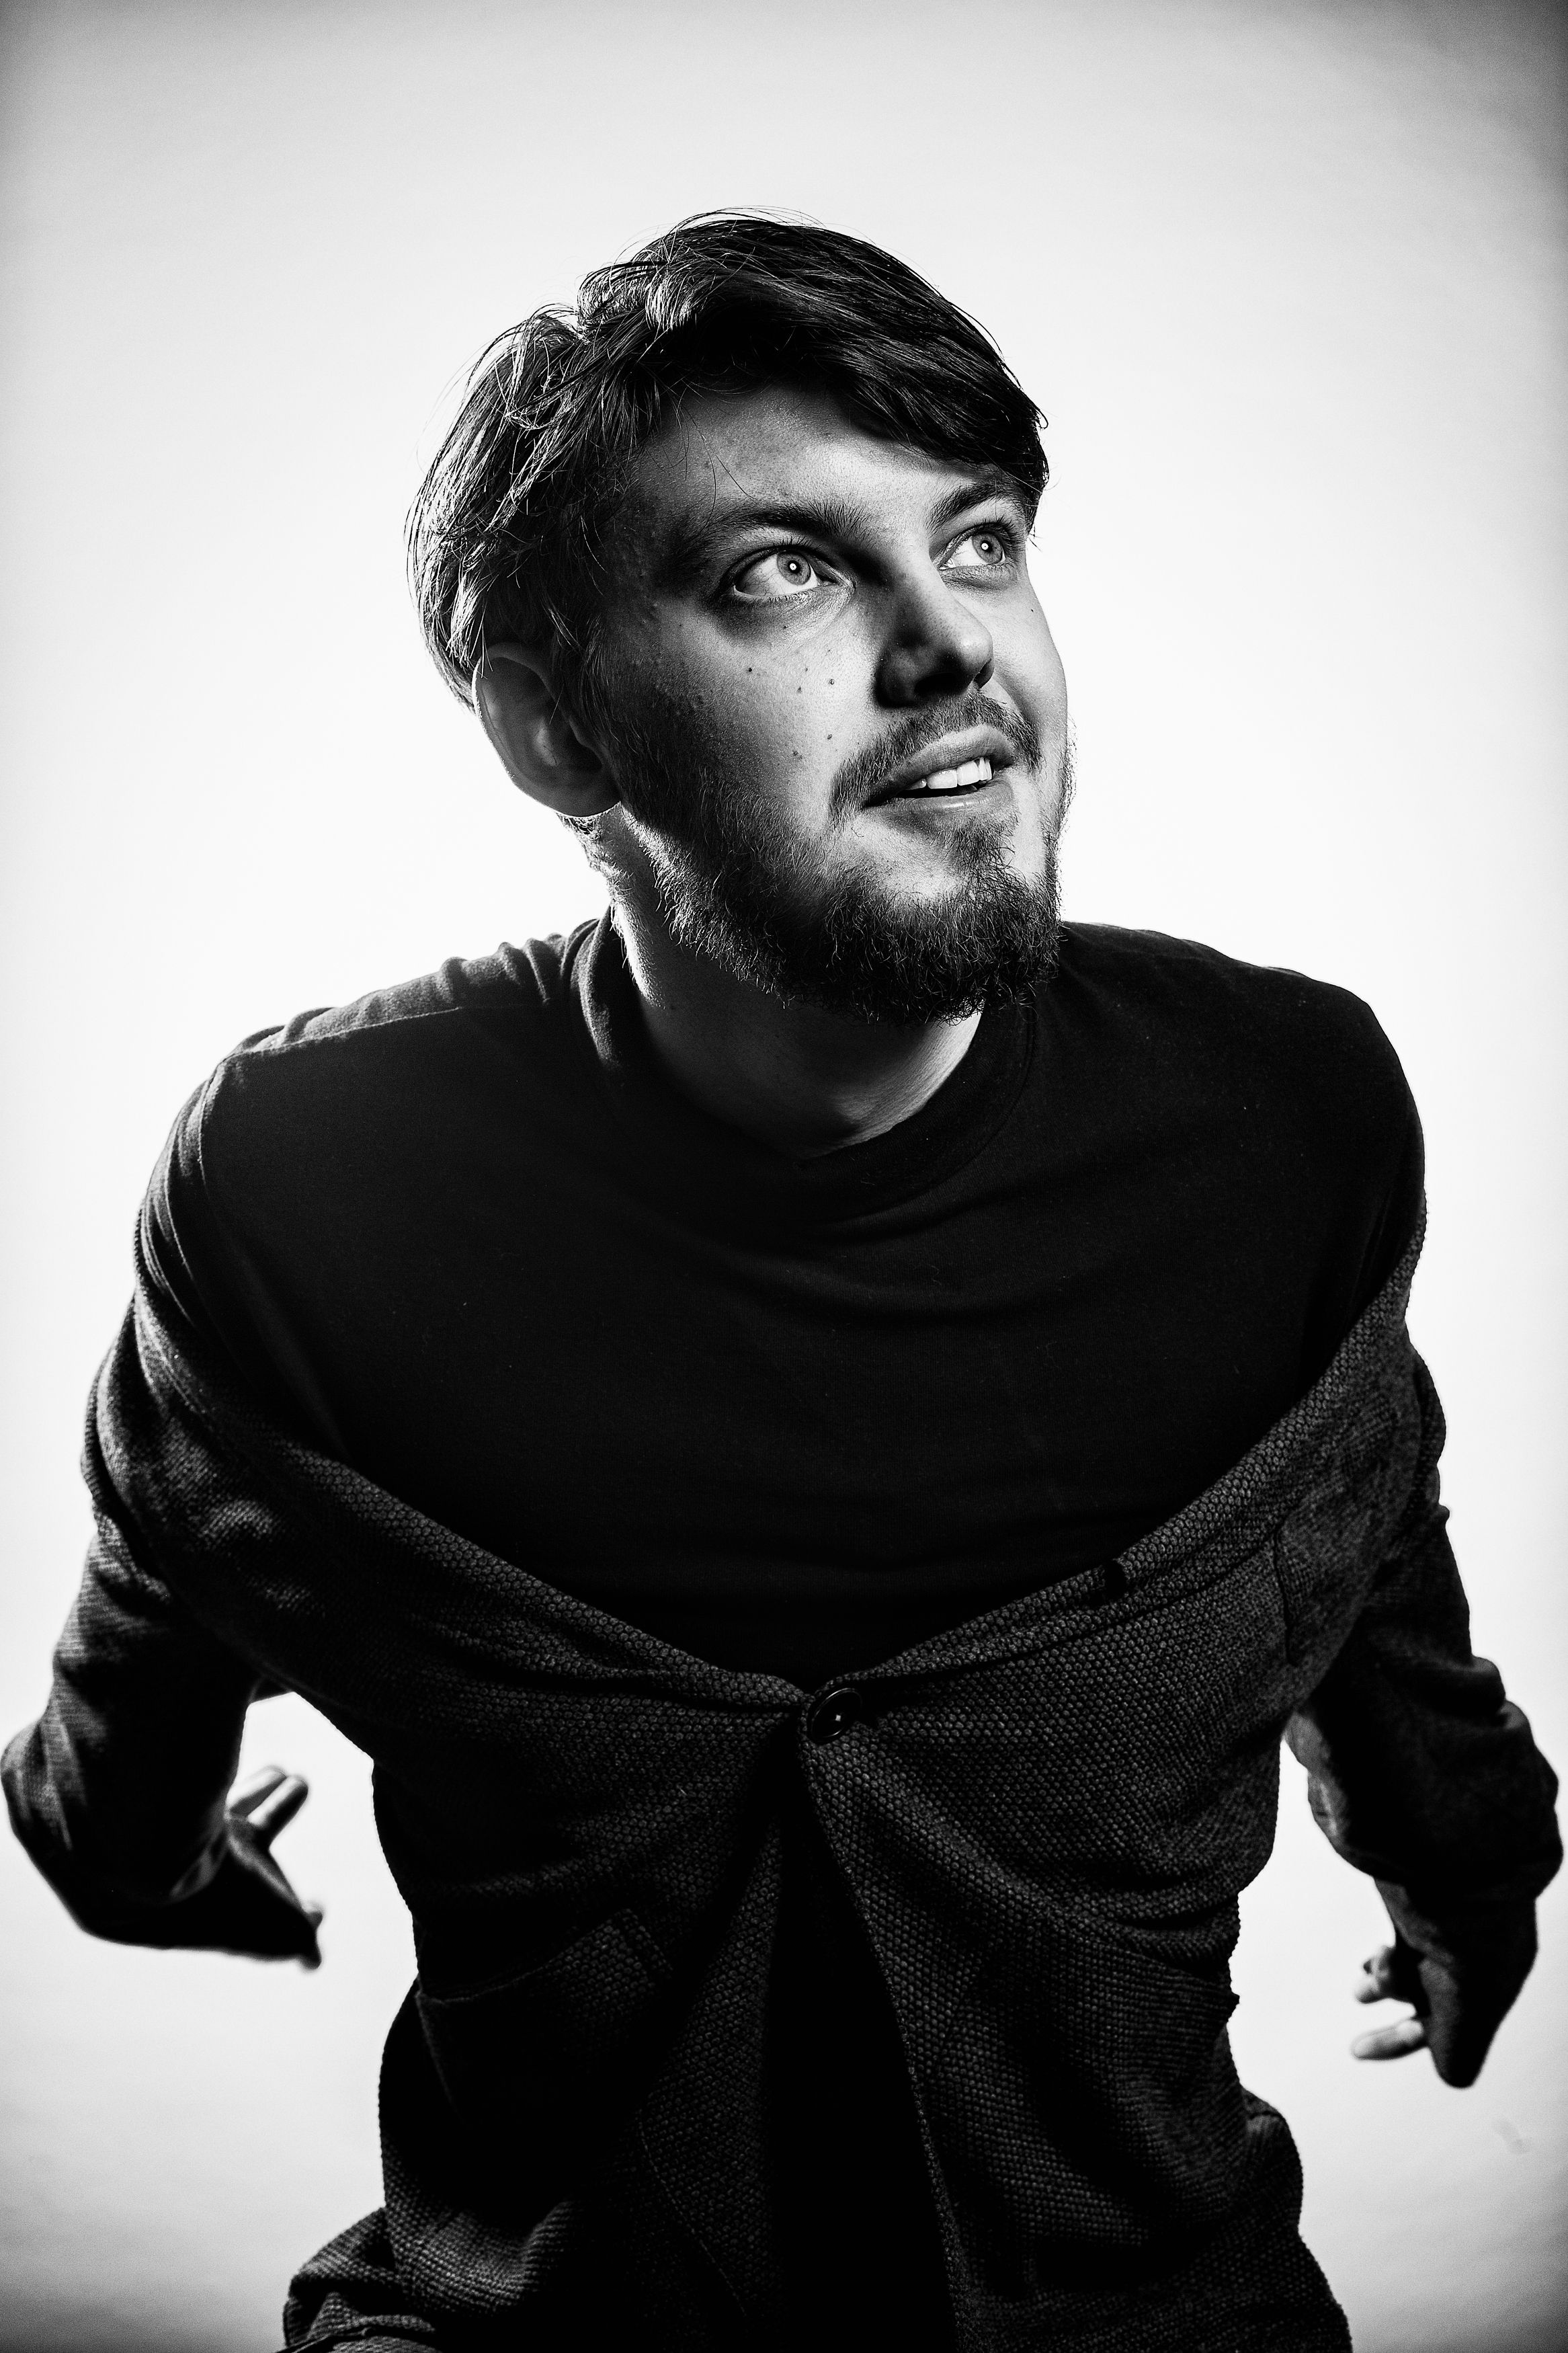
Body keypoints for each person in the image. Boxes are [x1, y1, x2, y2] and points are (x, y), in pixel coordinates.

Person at [3, 214, 1559, 2353]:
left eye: (983, 541)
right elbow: (149, 1648)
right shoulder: (312, 1187)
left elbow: (1366, 1544)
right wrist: (150, 1856)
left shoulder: (1284, 1117)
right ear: (556, 730)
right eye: (785, 572)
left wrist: (1467, 1861)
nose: (952, 648)